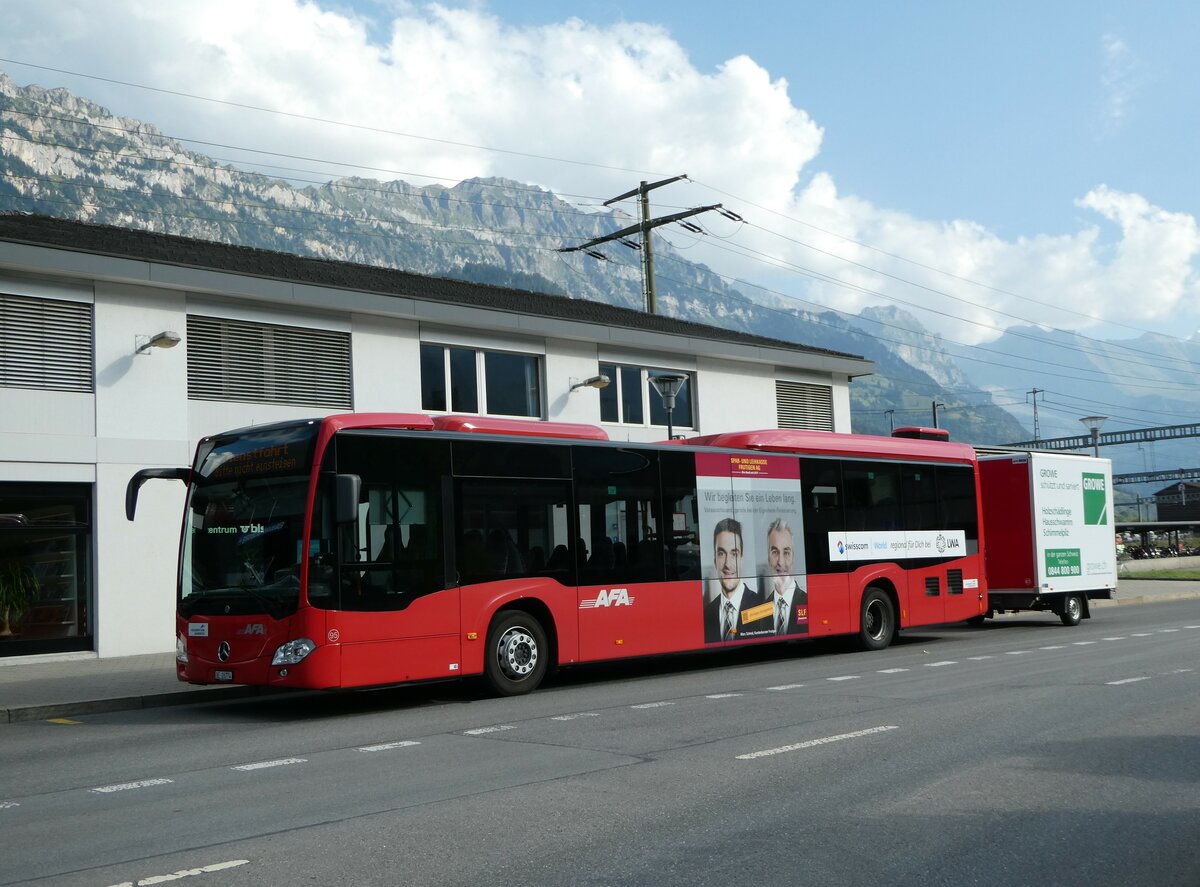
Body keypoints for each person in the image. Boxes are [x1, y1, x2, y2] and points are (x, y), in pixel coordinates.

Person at [704, 517, 771, 642]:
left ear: (741, 559)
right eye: (721, 553)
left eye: (734, 554)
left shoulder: (763, 607)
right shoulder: (707, 613)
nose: (727, 564)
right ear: (714, 560)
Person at [764, 518, 808, 635]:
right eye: (775, 552)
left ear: (793, 558)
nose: (781, 562)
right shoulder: (762, 609)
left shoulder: (808, 601)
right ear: (768, 558)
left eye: (786, 552)